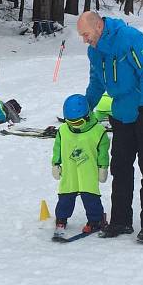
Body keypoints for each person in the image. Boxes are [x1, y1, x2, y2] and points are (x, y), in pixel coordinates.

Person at [77, 11, 143, 244]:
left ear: (99, 26)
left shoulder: (130, 38)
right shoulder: (94, 52)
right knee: (120, 168)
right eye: (82, 36)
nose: (84, 40)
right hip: (122, 113)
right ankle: (121, 221)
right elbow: (97, 82)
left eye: (86, 34)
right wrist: (85, 108)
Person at [51, 95, 109, 240]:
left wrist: (103, 167)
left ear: (87, 116)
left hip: (88, 171)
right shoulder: (63, 131)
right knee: (65, 196)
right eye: (71, 122)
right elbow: (57, 148)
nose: (74, 125)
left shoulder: (98, 131)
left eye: (79, 122)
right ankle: (61, 218)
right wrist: (55, 164)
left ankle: (96, 220)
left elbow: (103, 151)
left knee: (90, 197)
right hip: (70, 171)